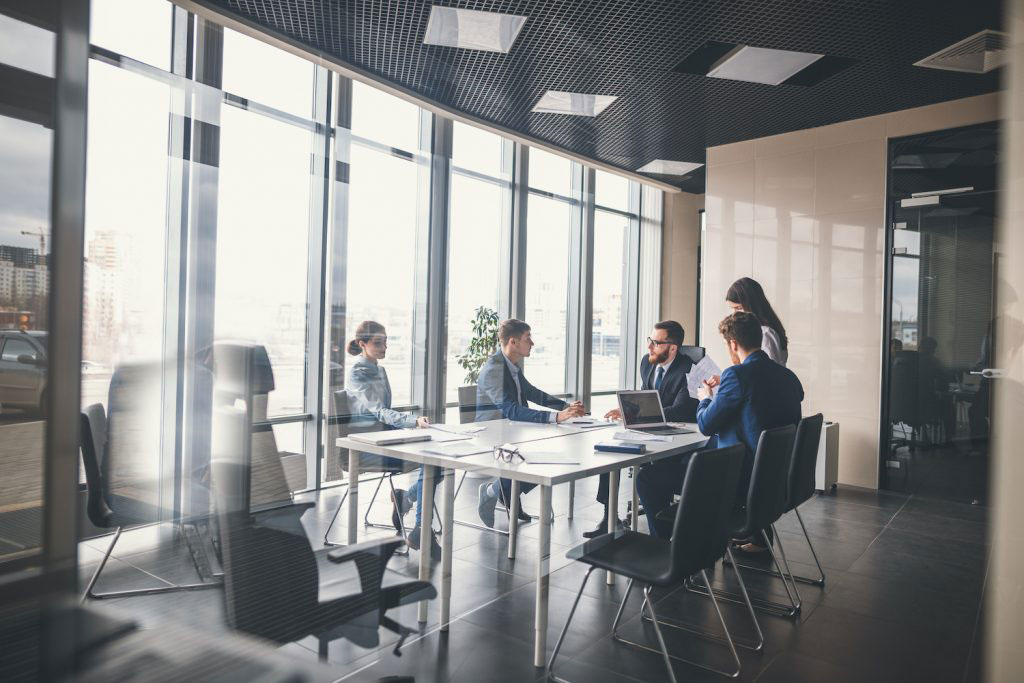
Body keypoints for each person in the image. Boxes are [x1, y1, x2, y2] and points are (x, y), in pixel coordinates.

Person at [695, 311, 803, 551]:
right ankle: (757, 538)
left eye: (727, 345)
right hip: (777, 476)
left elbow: (705, 425)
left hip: (743, 478)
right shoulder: (787, 376)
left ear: (733, 344)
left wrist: (705, 399)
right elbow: (762, 404)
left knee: (658, 479)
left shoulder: (735, 375)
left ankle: (688, 549)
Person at [583, 320, 699, 538]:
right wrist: (627, 409)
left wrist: (639, 414)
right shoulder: (647, 362)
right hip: (648, 427)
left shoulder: (689, 370)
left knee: (651, 474)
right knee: (612, 452)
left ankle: (663, 531)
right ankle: (610, 518)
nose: (649, 347)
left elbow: (681, 410)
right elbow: (647, 397)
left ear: (673, 347)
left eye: (655, 343)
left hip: (678, 434)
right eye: (650, 340)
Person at [476, 319, 585, 527]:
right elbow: (510, 409)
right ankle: (495, 491)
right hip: (492, 434)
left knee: (547, 459)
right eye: (528, 338)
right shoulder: (494, 369)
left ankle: (502, 491)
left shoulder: (511, 366)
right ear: (513, 342)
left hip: (513, 431)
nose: (532, 343)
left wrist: (566, 407)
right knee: (539, 460)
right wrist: (555, 417)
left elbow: (531, 393)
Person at [345, 321, 438, 558]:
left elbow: (385, 413)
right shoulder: (357, 371)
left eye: (386, 341)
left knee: (437, 460)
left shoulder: (380, 369)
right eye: (378, 342)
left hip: (385, 438)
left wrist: (411, 423)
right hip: (365, 446)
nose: (384, 347)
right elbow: (379, 411)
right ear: (361, 344)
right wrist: (412, 421)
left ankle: (407, 501)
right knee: (432, 462)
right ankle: (419, 529)